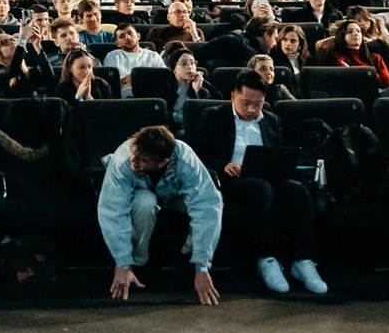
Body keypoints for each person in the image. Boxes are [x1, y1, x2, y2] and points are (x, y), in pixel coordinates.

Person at [186, 70, 328, 295]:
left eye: (258, 104)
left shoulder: (272, 120)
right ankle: (266, 258)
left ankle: (303, 261)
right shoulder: (213, 116)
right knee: (258, 189)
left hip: (268, 177)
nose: (252, 109)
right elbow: (197, 155)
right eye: (246, 103)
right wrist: (223, 164)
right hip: (229, 180)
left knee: (298, 190)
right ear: (233, 96)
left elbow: (277, 153)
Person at [96, 125, 224, 307]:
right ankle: (138, 263)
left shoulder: (185, 160)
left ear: (162, 162)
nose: (134, 162)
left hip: (176, 192)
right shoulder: (123, 160)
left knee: (213, 201)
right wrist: (122, 263)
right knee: (145, 203)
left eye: (143, 160)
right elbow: (113, 211)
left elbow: (207, 207)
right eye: (134, 154)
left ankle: (190, 256)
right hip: (139, 193)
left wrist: (202, 266)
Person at [314, 19, 389, 89]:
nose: (355, 34)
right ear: (342, 36)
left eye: (358, 31)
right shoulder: (336, 57)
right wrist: (371, 75)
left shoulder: (375, 57)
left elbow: (387, 82)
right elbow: (346, 82)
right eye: (349, 31)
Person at [158, 43, 208, 126]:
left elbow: (214, 109)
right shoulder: (165, 88)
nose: (189, 67)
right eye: (184, 64)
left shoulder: (202, 83)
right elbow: (161, 115)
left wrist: (199, 90)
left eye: (192, 63)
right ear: (174, 69)